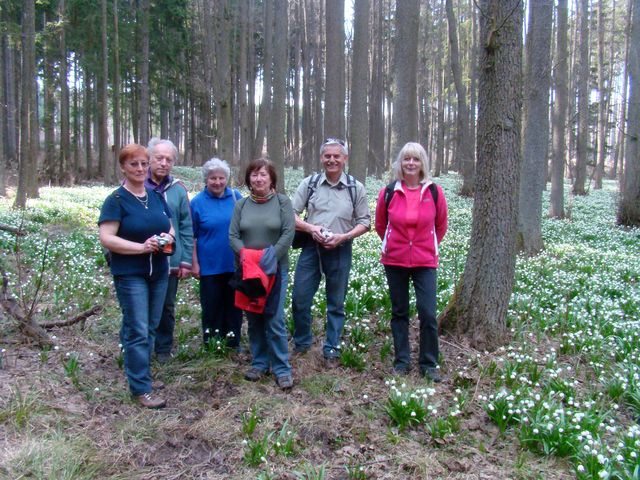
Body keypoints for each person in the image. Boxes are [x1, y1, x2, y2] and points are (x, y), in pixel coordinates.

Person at [99, 144, 175, 408]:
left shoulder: (155, 197)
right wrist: (141, 248)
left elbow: (170, 227)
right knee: (138, 329)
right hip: (131, 274)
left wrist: (166, 238)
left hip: (159, 272)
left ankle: (143, 375)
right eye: (134, 164)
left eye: (144, 163)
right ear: (123, 167)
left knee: (151, 326)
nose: (140, 169)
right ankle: (141, 388)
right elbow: (107, 238)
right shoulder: (116, 200)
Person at [291, 138, 371, 369]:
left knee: (336, 302)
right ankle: (302, 343)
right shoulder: (310, 184)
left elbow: (365, 222)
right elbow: (290, 214)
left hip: (341, 249)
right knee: (300, 298)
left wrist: (343, 237)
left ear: (345, 159)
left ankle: (332, 348)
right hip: (311, 247)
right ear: (321, 158)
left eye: (337, 156)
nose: (332, 160)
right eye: (328, 156)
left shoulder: (355, 187)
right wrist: (311, 229)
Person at [374, 142, 448, 382]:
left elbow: (441, 225)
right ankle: (402, 360)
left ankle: (429, 363)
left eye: (415, 159)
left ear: (422, 163)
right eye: (406, 159)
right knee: (399, 312)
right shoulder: (389, 192)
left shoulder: (434, 192)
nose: (411, 163)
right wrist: (397, 244)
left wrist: (423, 246)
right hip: (395, 260)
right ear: (400, 163)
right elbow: (380, 225)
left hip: (425, 261)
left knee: (428, 313)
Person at [229, 158, 295, 389]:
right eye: (254, 175)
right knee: (254, 317)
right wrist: (245, 255)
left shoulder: (282, 202)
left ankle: (282, 368)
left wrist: (272, 256)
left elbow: (288, 232)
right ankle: (259, 363)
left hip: (274, 270)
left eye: (263, 174)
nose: (258, 179)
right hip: (248, 270)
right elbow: (233, 235)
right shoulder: (241, 205)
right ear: (249, 179)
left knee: (274, 318)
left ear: (271, 179)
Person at [146, 138, 193, 363]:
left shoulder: (178, 190)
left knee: (166, 306)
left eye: (169, 159)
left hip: (170, 260)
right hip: (140, 257)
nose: (164, 163)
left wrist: (185, 260)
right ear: (149, 159)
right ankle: (139, 346)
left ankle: (163, 348)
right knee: (139, 304)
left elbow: (186, 226)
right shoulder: (136, 184)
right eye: (159, 158)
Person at [191, 158, 243, 349]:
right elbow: (192, 236)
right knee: (211, 306)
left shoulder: (236, 197)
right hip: (209, 265)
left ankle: (233, 342)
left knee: (234, 306)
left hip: (233, 263)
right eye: (213, 178)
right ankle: (212, 343)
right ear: (206, 179)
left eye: (221, 178)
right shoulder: (197, 202)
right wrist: (194, 263)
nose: (218, 182)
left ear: (227, 179)